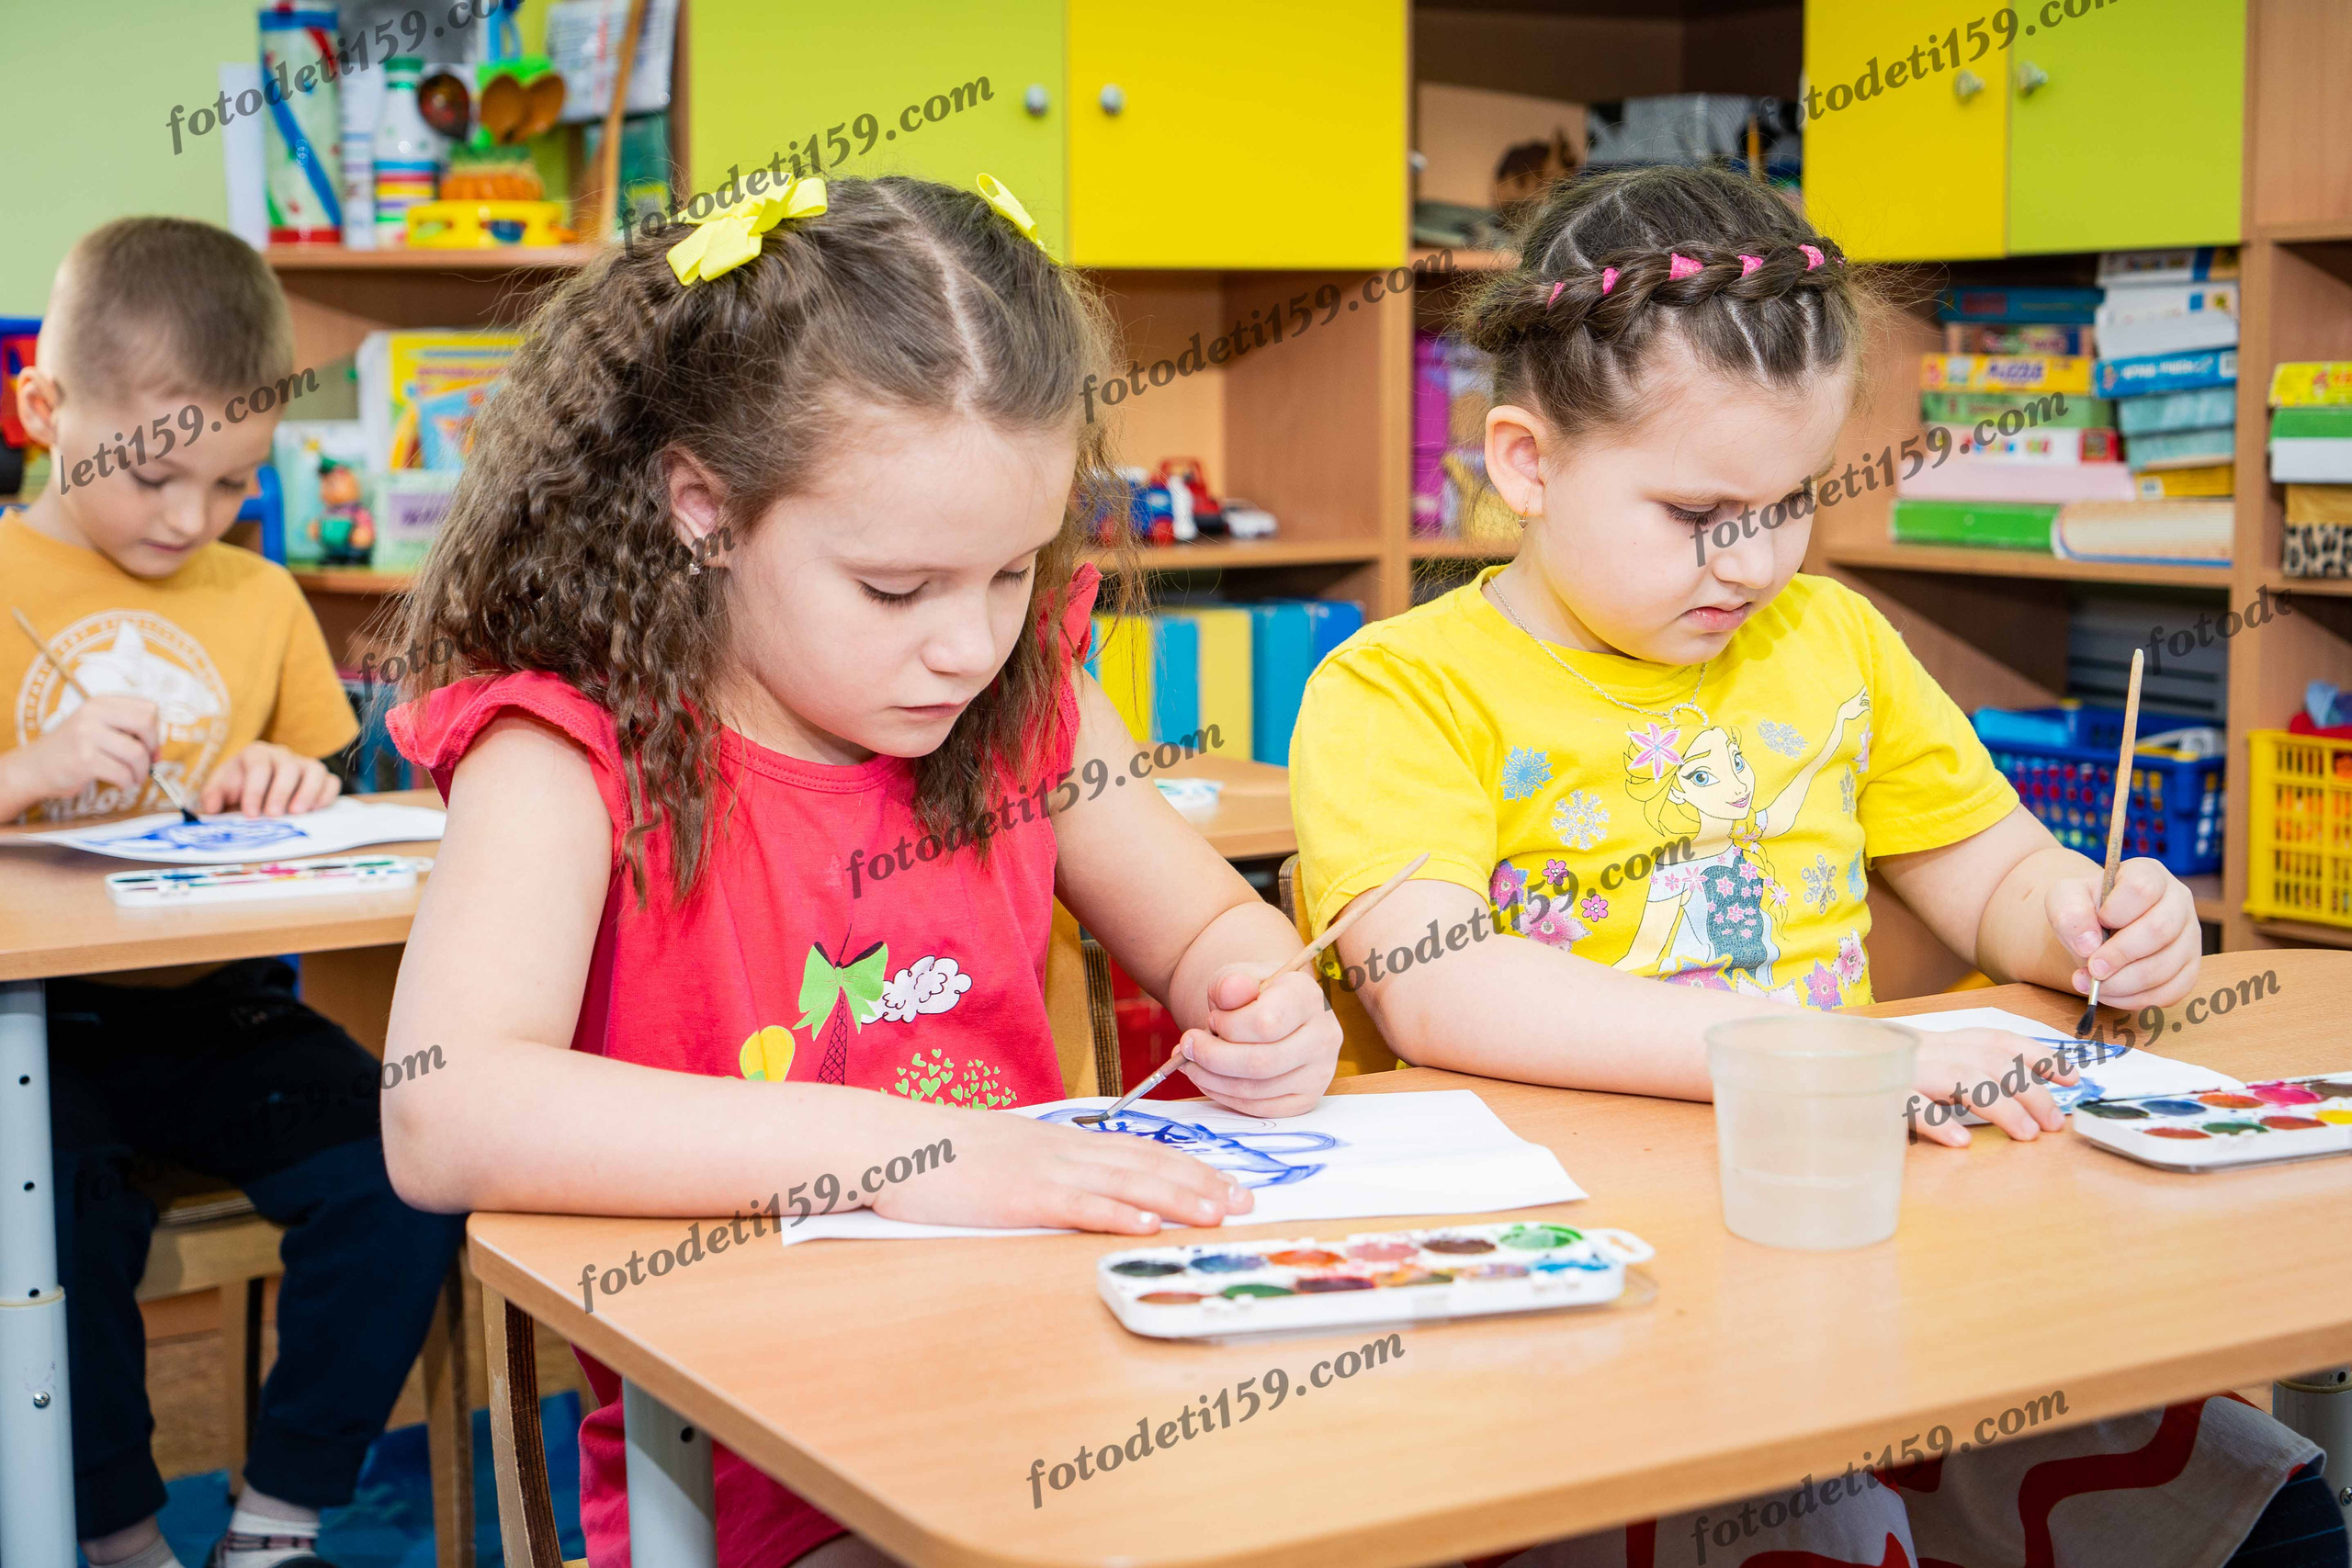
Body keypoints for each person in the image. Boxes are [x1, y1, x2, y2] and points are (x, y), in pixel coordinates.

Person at [1291, 166, 2346, 1568]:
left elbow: (1988, 872)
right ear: (1527, 464)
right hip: (1589, 1304)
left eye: (1790, 502)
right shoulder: (1401, 691)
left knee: (2264, 1515)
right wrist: (1822, 1052)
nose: (1757, 560)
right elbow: (1445, 991)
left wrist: (2087, 920)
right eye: (1696, 513)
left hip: (1852, 1247)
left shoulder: (1829, 642)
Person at [379, 172, 1343, 1568]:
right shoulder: (570, 752)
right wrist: (907, 1158)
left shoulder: (1033, 709)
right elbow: (443, 1111)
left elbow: (1204, 933)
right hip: (746, 1462)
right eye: (898, 590)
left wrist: (1256, 997)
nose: (971, 645)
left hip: (1069, 1369)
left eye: (1014, 573)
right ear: (702, 508)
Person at [1, 216, 467, 1568]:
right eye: (153, 476)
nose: (188, 518)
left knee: (409, 1171)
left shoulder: (262, 597)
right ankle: (119, 1534)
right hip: (36, 1034)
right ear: (44, 406)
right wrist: (28, 768)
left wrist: (285, 777)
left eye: (230, 483)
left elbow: (317, 784)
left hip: (222, 1013)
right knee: (54, 1220)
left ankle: (277, 1522)